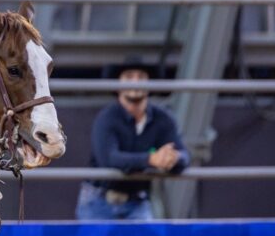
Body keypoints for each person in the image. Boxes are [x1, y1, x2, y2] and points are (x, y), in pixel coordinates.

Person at [76, 60, 190, 220]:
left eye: (141, 77)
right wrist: (151, 159)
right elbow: (109, 159)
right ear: (117, 85)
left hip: (138, 201)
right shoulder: (106, 118)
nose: (136, 82)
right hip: (98, 201)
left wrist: (174, 158)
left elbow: (184, 155)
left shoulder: (163, 118)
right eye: (129, 77)